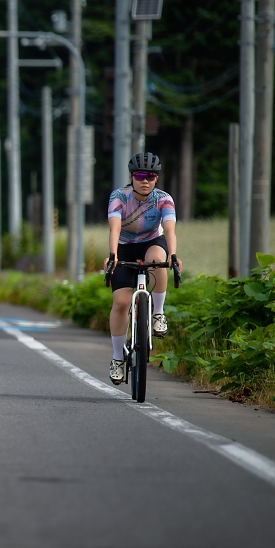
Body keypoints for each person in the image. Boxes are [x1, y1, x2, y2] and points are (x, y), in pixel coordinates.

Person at [103, 152, 181, 385]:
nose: (145, 180)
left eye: (150, 176)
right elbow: (114, 228)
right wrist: (113, 255)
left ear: (156, 178)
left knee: (159, 258)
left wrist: (174, 256)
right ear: (132, 177)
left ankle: (158, 312)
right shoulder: (119, 196)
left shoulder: (164, 199)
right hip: (124, 247)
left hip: (151, 243)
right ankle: (118, 358)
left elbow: (169, 230)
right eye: (140, 175)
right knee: (121, 303)